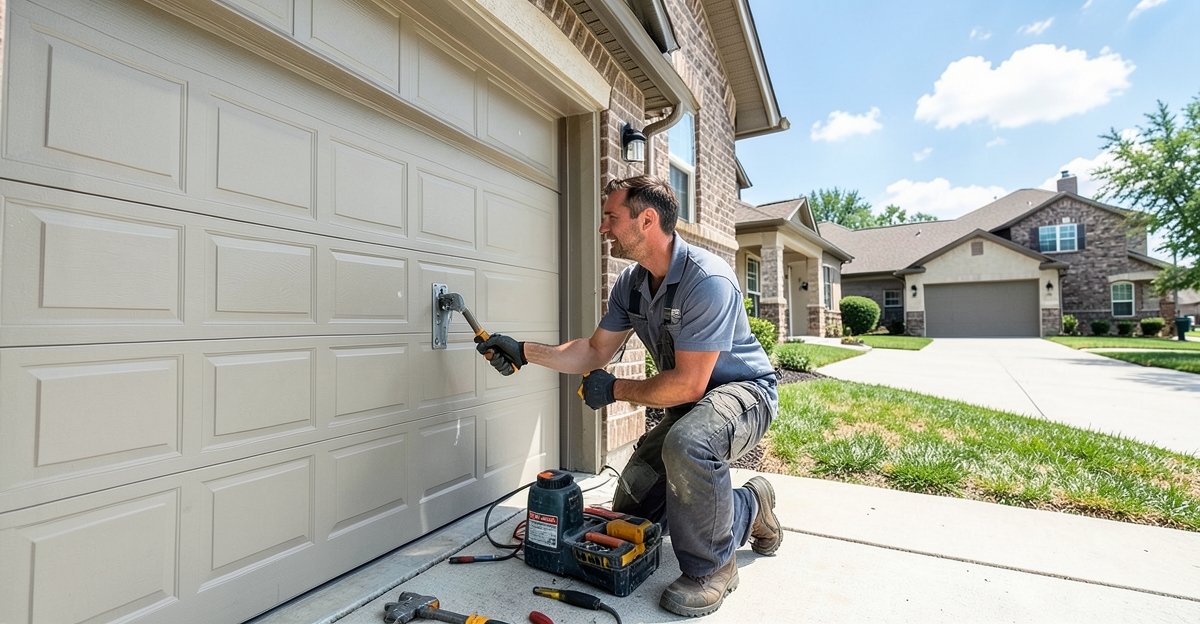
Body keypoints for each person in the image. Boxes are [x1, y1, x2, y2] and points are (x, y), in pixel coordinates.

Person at [474, 175, 781, 617]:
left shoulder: (707, 280)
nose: (604, 228)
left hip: (743, 395)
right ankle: (735, 510)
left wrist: (615, 388)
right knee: (634, 513)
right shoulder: (633, 284)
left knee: (688, 443)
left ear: (647, 220)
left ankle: (716, 561)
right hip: (691, 408)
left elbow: (691, 384)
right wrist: (523, 351)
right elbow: (593, 350)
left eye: (612, 217)